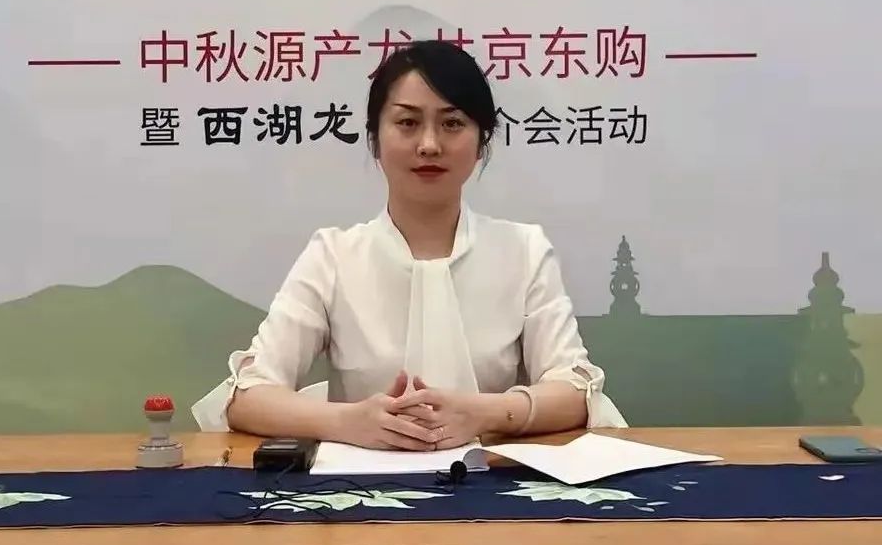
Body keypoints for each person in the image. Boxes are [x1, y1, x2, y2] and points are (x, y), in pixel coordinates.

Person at [192, 40, 625, 448]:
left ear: (481, 143)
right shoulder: (333, 256)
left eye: (452, 123)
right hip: (360, 490)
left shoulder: (523, 250)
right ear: (375, 140)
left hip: (494, 487)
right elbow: (247, 395)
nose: (429, 145)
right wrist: (349, 422)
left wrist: (483, 413)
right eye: (407, 123)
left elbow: (575, 389)